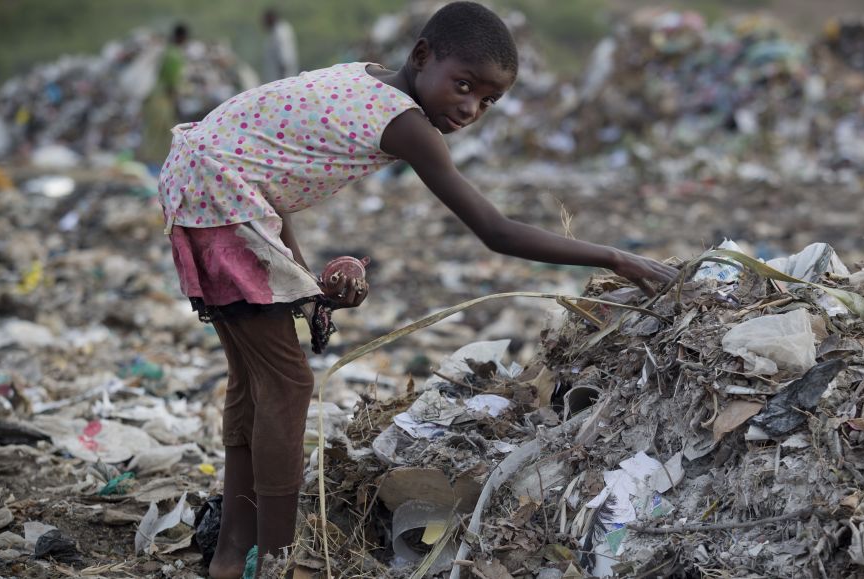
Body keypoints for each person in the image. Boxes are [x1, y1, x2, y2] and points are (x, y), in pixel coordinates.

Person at [157, 2, 677, 577]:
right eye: (463, 85)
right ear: (422, 56)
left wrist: (300, 280)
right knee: (286, 384)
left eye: (488, 100)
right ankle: (278, 560)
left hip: (201, 181)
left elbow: (266, 173)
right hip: (220, 197)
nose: (470, 107)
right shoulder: (406, 124)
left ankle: (234, 555)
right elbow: (495, 231)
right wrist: (614, 257)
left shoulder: (364, 76)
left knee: (255, 384)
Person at [138, 23, 189, 165]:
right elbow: (172, 85)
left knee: (152, 131)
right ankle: (157, 163)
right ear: (183, 38)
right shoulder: (174, 55)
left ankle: (152, 160)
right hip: (160, 99)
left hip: (152, 97)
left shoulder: (166, 51)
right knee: (161, 131)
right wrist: (178, 106)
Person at [262, 8, 299, 83]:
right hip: (278, 76)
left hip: (283, 77)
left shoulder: (281, 31)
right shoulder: (274, 32)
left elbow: (285, 56)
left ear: (271, 18)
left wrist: (282, 80)